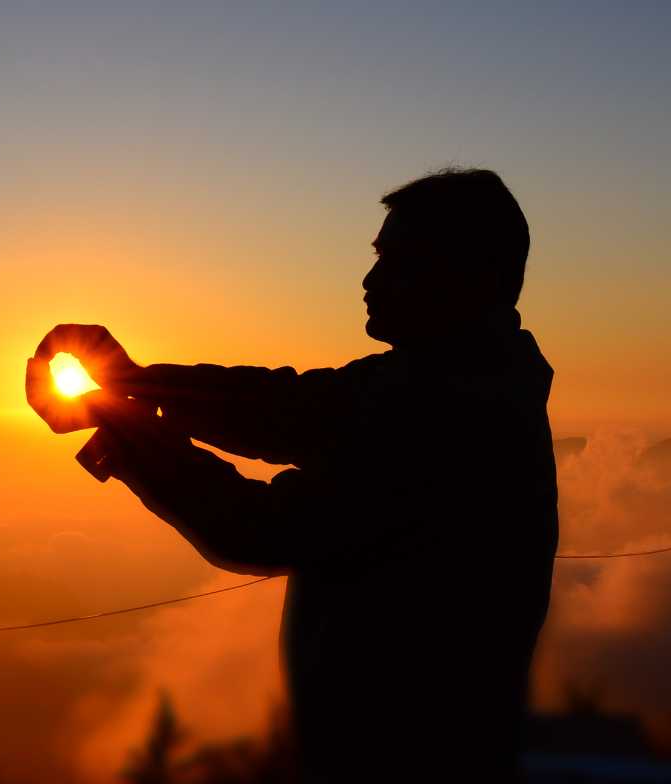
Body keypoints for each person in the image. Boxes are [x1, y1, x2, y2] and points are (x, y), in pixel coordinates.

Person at [28, 168, 558, 783]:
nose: (368, 280)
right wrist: (130, 383)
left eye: (395, 260)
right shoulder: (435, 381)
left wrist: (121, 427)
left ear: (462, 277)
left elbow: (261, 527)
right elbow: (283, 408)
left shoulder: (458, 416)